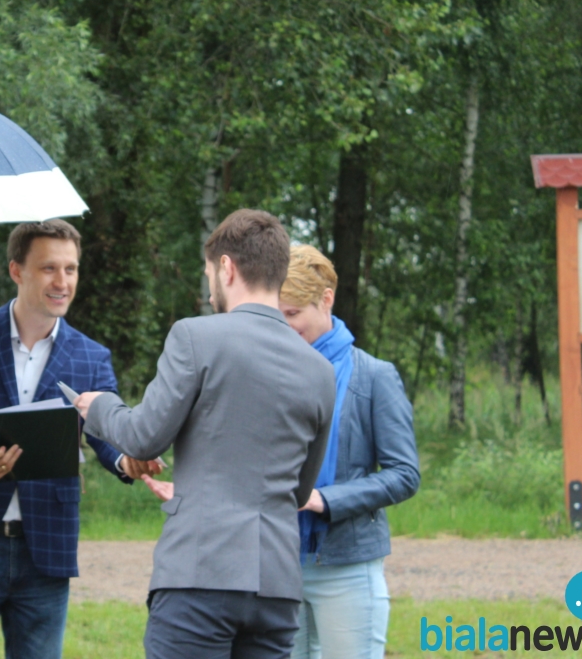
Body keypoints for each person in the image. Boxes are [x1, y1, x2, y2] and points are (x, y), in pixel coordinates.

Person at [74, 209, 335, 659]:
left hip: (201, 574)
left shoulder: (194, 337)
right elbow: (299, 490)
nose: (209, 285)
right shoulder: (320, 369)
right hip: (277, 587)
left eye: (208, 272)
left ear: (226, 268)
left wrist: (98, 407)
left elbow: (143, 437)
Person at [0, 219, 159, 659]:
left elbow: (107, 433)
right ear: (16, 270)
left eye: (71, 269)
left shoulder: (91, 356)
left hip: (47, 546)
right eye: (49, 268)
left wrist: (127, 461)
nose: (62, 282)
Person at [278, 245, 419, 659]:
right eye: (277, 315)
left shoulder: (375, 376)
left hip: (348, 570)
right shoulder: (268, 373)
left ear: (326, 299)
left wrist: (324, 500)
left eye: (293, 314)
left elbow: (404, 474)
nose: (284, 327)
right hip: (276, 565)